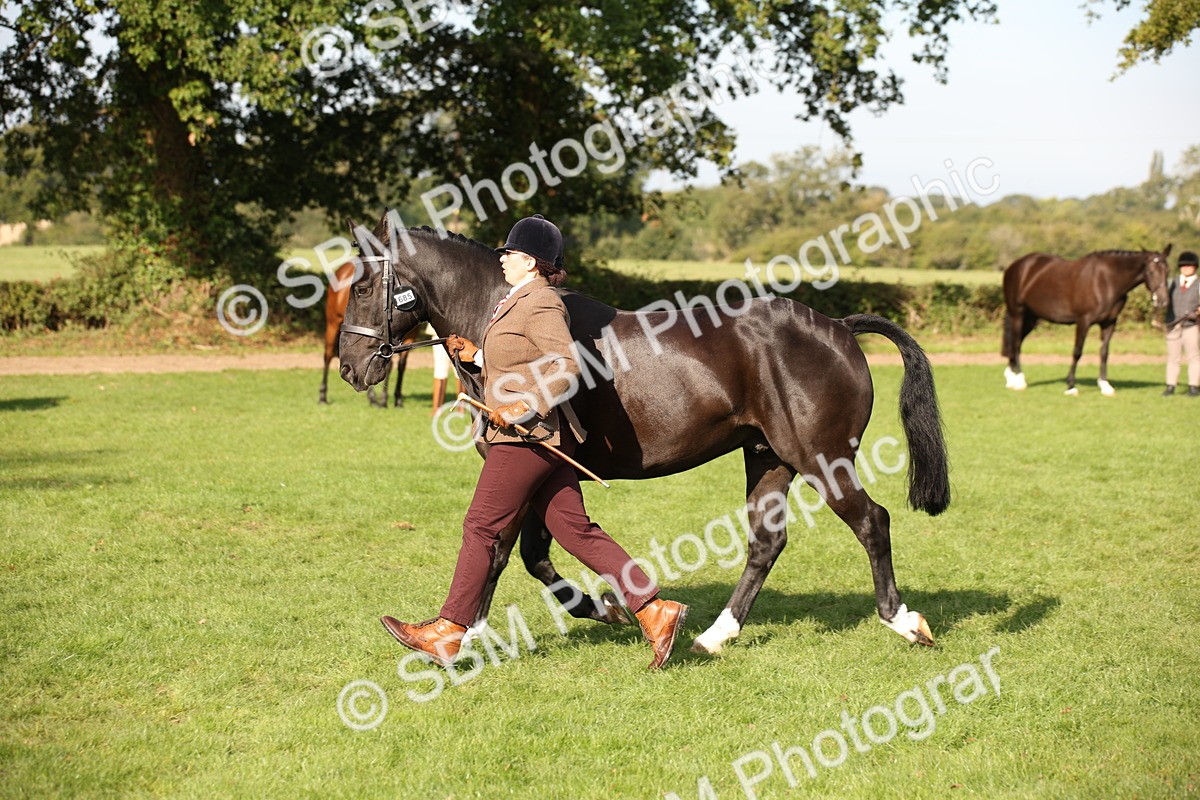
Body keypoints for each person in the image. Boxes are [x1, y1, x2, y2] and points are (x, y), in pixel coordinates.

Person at [381, 215, 688, 670]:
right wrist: (479, 355)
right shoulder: (518, 299)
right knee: (574, 530)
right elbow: (524, 358)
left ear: (530, 261)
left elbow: (565, 365)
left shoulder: (541, 302)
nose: (501, 257)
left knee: (482, 527)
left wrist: (523, 408)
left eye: (510, 252)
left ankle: (449, 631)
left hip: (525, 436)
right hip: (538, 438)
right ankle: (653, 609)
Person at [1163, 250, 1200, 397]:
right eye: (1183, 265)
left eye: (1189, 265)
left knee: (1193, 357)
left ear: (1195, 267)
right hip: (1173, 325)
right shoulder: (1172, 283)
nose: (1185, 268)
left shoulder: (1199, 284)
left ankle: (1193, 386)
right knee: (1173, 357)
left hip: (1191, 326)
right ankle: (1170, 385)